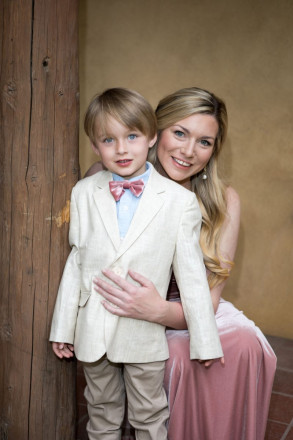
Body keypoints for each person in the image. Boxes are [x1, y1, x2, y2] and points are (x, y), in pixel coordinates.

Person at [89, 87, 277, 440]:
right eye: (180, 133)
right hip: (123, 308)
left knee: (245, 341)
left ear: (214, 149)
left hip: (190, 310)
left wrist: (158, 310)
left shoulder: (224, 201)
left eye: (204, 142)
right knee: (170, 354)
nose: (189, 151)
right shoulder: (109, 176)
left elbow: (210, 300)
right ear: (154, 131)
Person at [50, 87, 224, 440]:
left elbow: (192, 277)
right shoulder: (84, 192)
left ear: (150, 138)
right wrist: (63, 327)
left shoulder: (179, 201)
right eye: (108, 140)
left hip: (143, 335)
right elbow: (77, 261)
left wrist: (205, 341)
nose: (122, 148)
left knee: (149, 416)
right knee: (101, 414)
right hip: (93, 329)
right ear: (95, 146)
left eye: (131, 136)